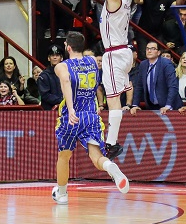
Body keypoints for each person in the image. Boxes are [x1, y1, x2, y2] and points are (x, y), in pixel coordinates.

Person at [63, 0, 136, 158]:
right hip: (121, 51)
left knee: (113, 101)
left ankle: (112, 144)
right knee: (114, 99)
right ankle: (112, 142)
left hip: (115, 53)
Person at [52, 32, 130, 205]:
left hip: (71, 116)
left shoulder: (62, 66)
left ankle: (62, 194)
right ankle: (110, 167)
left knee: (64, 156)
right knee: (97, 157)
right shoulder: (93, 61)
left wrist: (71, 109)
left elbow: (66, 82)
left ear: (68, 47)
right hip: (91, 114)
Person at [129, 41, 180, 113]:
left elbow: (172, 86)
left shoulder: (166, 63)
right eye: (147, 49)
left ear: (159, 52)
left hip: (170, 106)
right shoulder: (143, 64)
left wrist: (168, 105)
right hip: (152, 106)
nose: (149, 51)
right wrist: (135, 105)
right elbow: (139, 86)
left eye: (153, 48)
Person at [38, 44, 65, 110]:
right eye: (52, 55)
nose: (55, 57)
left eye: (57, 55)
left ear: (61, 58)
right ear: (48, 58)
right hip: (49, 111)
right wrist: (62, 100)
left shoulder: (67, 73)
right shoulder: (43, 76)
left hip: (65, 109)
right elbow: (45, 95)